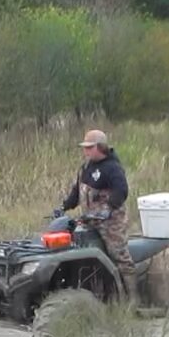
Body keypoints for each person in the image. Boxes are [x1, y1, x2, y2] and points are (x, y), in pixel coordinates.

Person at [55, 129, 137, 304]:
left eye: (89, 147)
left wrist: (109, 208)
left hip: (111, 221)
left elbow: (121, 191)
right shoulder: (86, 167)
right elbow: (77, 192)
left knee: (119, 254)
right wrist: (64, 206)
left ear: (100, 147)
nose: (86, 151)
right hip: (90, 219)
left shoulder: (112, 167)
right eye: (85, 147)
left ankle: (133, 299)